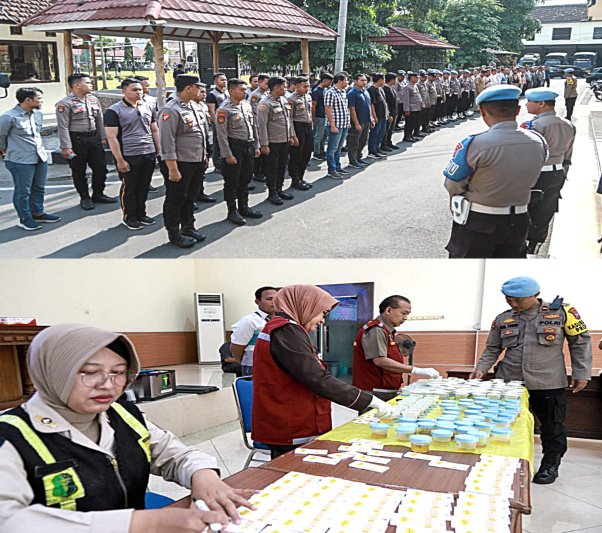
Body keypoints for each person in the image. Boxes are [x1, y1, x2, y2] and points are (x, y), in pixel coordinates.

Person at [0, 323, 255, 531]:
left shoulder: (123, 415)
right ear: (51, 372)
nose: (107, 384)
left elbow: (176, 455)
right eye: (89, 372)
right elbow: (9, 520)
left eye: (118, 372)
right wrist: (138, 523)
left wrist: (203, 475)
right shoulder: (10, 436)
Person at [470, 277, 592, 484]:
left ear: (535, 295)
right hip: (509, 383)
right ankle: (502, 461)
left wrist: (582, 372)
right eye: (509, 300)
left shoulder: (562, 313)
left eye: (518, 300)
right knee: (504, 423)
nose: (514, 304)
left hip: (548, 382)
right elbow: (492, 348)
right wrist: (481, 369)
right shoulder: (503, 318)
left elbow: (580, 342)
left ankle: (550, 464)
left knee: (553, 426)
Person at [251, 285, 397, 459]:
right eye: (322, 313)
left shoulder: (289, 328)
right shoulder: (286, 330)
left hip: (292, 416)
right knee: (295, 472)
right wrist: (370, 400)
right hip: (291, 420)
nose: (323, 320)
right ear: (306, 305)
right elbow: (316, 378)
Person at [442, 85, 549, 258]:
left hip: (479, 221)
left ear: (483, 111)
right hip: (520, 219)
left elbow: (453, 184)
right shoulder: (538, 141)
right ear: (518, 110)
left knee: (468, 274)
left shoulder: (475, 143)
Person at [352, 295, 440, 406]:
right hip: (375, 391)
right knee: (372, 421)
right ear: (389, 310)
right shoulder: (376, 330)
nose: (405, 318)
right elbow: (380, 360)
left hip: (386, 389)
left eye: (407, 314)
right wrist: (415, 370)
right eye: (403, 313)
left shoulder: (388, 331)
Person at [521, 88, 576, 257]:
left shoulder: (533, 126)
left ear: (541, 104)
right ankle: (535, 246)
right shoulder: (568, 124)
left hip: (536, 175)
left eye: (529, 101)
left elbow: (527, 156)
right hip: (557, 173)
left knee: (524, 211)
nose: (526, 104)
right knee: (545, 210)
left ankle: (521, 246)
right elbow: (568, 155)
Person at [159, 74, 208, 248]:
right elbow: (167, 141)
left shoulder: (193, 106)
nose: (200, 90)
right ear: (188, 88)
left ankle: (188, 226)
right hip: (180, 163)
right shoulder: (171, 110)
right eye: (197, 87)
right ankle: (174, 233)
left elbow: (200, 135)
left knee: (190, 197)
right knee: (176, 198)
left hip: (196, 160)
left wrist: (204, 156)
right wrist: (172, 168)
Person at [0, 87, 60, 231]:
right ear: (28, 100)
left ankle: (38, 213)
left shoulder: (37, 114)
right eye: (39, 98)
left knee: (39, 188)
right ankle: (25, 218)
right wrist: (5, 152)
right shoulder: (9, 117)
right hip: (20, 160)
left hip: (39, 157)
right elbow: (0, 137)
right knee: (23, 191)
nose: (42, 101)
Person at [105, 78, 160, 231]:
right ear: (124, 91)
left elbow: (154, 130)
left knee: (143, 186)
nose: (138, 92)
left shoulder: (148, 106)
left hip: (148, 152)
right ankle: (129, 217)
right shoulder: (114, 111)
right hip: (129, 155)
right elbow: (112, 137)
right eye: (134, 90)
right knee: (129, 188)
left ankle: (141, 214)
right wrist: (120, 160)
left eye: (140, 89)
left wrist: (159, 150)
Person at [56, 74, 116, 210]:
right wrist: (66, 147)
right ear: (77, 85)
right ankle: (84, 197)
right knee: (79, 170)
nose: (91, 85)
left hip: (94, 139)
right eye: (88, 83)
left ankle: (98, 193)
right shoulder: (65, 103)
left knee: (101, 168)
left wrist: (102, 137)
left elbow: (99, 120)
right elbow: (63, 126)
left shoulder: (93, 99)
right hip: (77, 140)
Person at [215, 78, 263, 225]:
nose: (244, 92)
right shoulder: (224, 109)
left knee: (245, 180)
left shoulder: (246, 105)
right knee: (232, 182)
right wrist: (227, 155)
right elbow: (221, 136)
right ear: (231, 91)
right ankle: (232, 211)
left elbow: (253, 126)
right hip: (234, 148)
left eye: (244, 89)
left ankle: (244, 207)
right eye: (241, 90)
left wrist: (256, 145)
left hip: (248, 146)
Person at [256, 76, 298, 205]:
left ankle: (279, 189)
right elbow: (261, 125)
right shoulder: (265, 103)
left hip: (284, 140)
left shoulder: (284, 100)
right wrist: (264, 144)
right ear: (275, 87)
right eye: (284, 87)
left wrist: (292, 135)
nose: (286, 89)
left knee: (281, 167)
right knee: (272, 168)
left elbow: (288, 120)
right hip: (273, 142)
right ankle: (272, 193)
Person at [230, 286, 278, 376]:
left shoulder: (281, 319)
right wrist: (245, 361)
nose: (274, 302)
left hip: (274, 366)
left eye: (276, 298)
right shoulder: (249, 321)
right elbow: (236, 347)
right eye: (269, 299)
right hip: (253, 366)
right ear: (257, 302)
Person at [191, 83, 217, 205]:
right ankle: (190, 198)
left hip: (204, 141)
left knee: (200, 172)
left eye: (204, 92)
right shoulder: (186, 107)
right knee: (191, 174)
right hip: (191, 146)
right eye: (201, 92)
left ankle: (199, 193)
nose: (204, 94)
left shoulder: (202, 106)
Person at [287, 76, 313, 191]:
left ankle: (301, 177)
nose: (307, 88)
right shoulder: (291, 99)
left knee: (307, 153)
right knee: (297, 155)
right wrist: (293, 135)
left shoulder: (308, 96)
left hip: (307, 126)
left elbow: (310, 113)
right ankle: (295, 179)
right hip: (298, 127)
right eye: (305, 86)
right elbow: (290, 119)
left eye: (308, 86)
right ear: (296, 86)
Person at [324, 72, 351, 179]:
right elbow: (328, 110)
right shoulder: (330, 92)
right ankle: (331, 169)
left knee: (339, 147)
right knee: (332, 148)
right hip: (335, 125)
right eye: (346, 80)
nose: (347, 82)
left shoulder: (343, 91)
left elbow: (345, 109)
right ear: (339, 81)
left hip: (344, 124)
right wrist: (332, 125)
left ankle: (337, 166)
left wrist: (347, 123)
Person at [346, 73, 372, 168]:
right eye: (362, 80)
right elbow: (351, 109)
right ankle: (352, 160)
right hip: (357, 122)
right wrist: (356, 123)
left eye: (365, 80)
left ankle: (358, 157)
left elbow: (369, 106)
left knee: (363, 140)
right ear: (355, 81)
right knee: (354, 142)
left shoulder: (365, 91)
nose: (364, 82)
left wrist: (371, 118)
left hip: (366, 121)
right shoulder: (352, 93)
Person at [249, 74, 270, 183]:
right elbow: (253, 111)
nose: (267, 86)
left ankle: (263, 170)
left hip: (265, 124)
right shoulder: (255, 95)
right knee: (258, 149)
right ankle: (257, 172)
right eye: (266, 83)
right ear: (260, 82)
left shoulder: (266, 93)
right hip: (257, 125)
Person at [206, 72, 228, 173]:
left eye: (225, 80)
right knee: (218, 143)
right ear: (215, 82)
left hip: (228, 123)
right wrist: (216, 124)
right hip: (218, 123)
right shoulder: (212, 95)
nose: (224, 82)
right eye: (222, 80)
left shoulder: (227, 93)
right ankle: (217, 165)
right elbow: (211, 111)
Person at [311, 72, 334, 160]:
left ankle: (321, 150)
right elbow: (313, 106)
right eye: (329, 82)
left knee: (323, 136)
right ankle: (316, 153)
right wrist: (313, 119)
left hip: (324, 116)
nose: (330, 84)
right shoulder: (317, 91)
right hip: (319, 116)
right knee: (318, 136)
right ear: (324, 80)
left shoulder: (324, 90)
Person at [367, 73, 389, 157]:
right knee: (374, 134)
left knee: (381, 133)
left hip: (383, 115)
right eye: (383, 79)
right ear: (379, 80)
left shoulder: (380, 89)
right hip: (377, 116)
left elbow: (384, 102)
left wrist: (387, 112)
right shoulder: (371, 90)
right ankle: (372, 151)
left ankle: (377, 148)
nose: (384, 81)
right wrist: (374, 116)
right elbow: (372, 104)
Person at [401, 72, 422, 143]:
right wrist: (406, 110)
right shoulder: (407, 87)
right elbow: (406, 100)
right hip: (411, 109)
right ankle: (407, 136)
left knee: (414, 123)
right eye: (416, 77)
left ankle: (411, 135)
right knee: (409, 123)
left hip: (417, 108)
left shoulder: (415, 86)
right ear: (412, 78)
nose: (417, 79)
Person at [382, 72, 398, 149]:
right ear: (391, 80)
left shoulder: (391, 89)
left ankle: (389, 142)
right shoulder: (385, 89)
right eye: (395, 79)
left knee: (391, 129)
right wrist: (389, 114)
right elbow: (386, 103)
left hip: (394, 113)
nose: (396, 81)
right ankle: (384, 144)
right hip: (389, 114)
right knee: (386, 130)